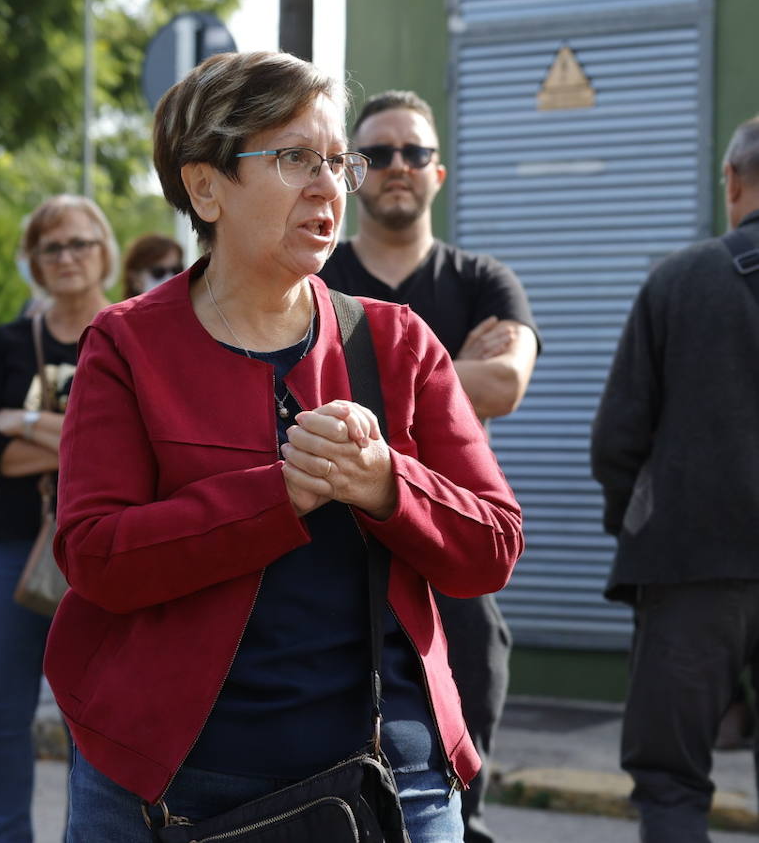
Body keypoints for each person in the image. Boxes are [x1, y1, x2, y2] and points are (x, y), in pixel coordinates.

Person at [43, 52, 524, 842]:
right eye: (295, 157)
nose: (328, 186)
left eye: (338, 161)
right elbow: (95, 557)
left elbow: (493, 546)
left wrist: (386, 484)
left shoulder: (398, 342)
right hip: (167, 787)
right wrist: (280, 493)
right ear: (206, 187)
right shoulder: (127, 344)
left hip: (387, 784)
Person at [318, 89, 540, 843]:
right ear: (353, 173)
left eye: (415, 152)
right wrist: (446, 377)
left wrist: (365, 378)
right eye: (377, 153)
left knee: (478, 661)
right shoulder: (318, 276)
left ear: (438, 173)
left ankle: (458, 819)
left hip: (447, 530)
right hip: (334, 531)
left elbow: (506, 385)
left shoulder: (484, 280)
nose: (398, 166)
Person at [591, 114, 759, 843]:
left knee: (671, 784)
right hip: (690, 561)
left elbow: (617, 440)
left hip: (689, 571)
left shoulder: (680, 280)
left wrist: (641, 524)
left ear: (732, 181)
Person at [0, 194, 118, 842]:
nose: (67, 258)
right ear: (33, 262)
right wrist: (84, 438)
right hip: (12, 546)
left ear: (105, 250)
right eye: (51, 248)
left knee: (103, 716)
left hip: (108, 549)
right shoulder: (9, 341)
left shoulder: (134, 333)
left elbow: (131, 446)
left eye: (80, 243)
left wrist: (25, 422)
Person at [121, 232, 184, 300]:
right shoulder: (117, 310)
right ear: (134, 278)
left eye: (177, 271)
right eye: (158, 272)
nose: (170, 278)